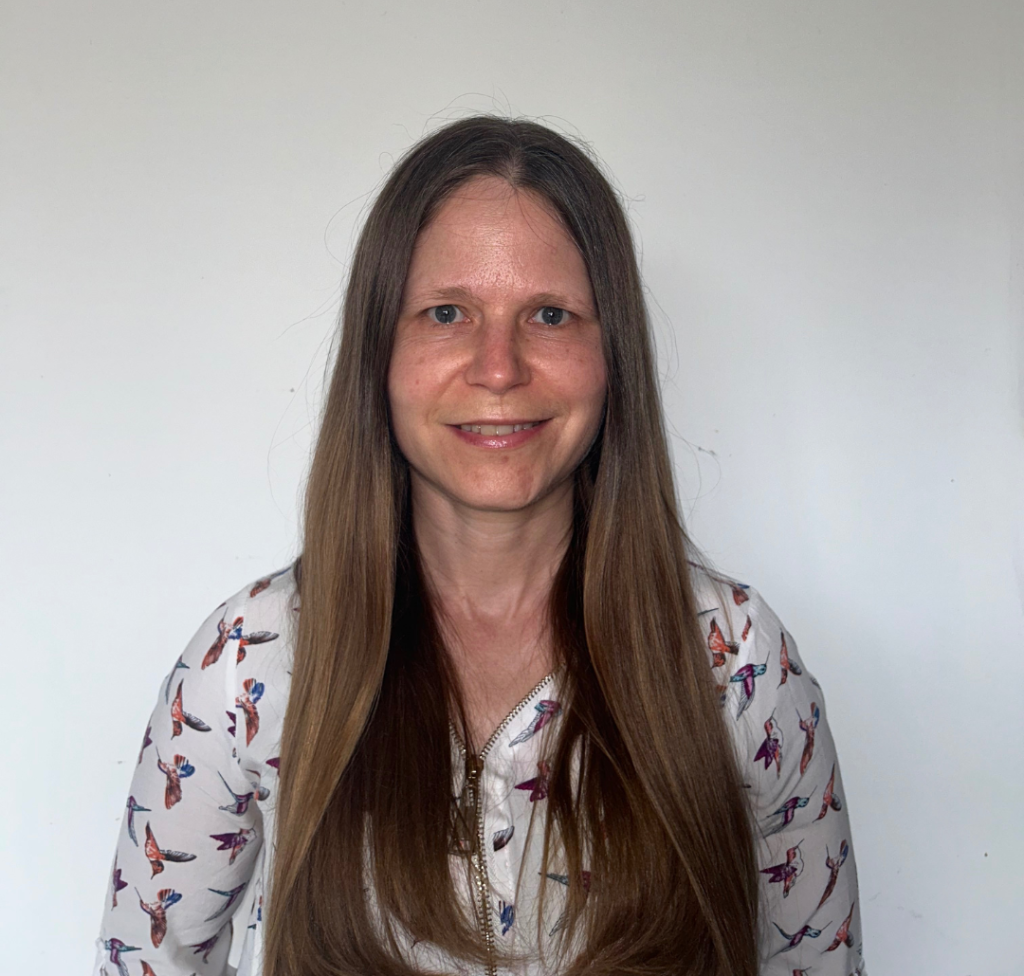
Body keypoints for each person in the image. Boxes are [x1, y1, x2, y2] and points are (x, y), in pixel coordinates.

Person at [94, 117, 865, 976]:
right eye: (447, 312)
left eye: (550, 313)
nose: (498, 367)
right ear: (380, 354)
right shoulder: (246, 665)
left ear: (613, 356)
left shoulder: (736, 660)